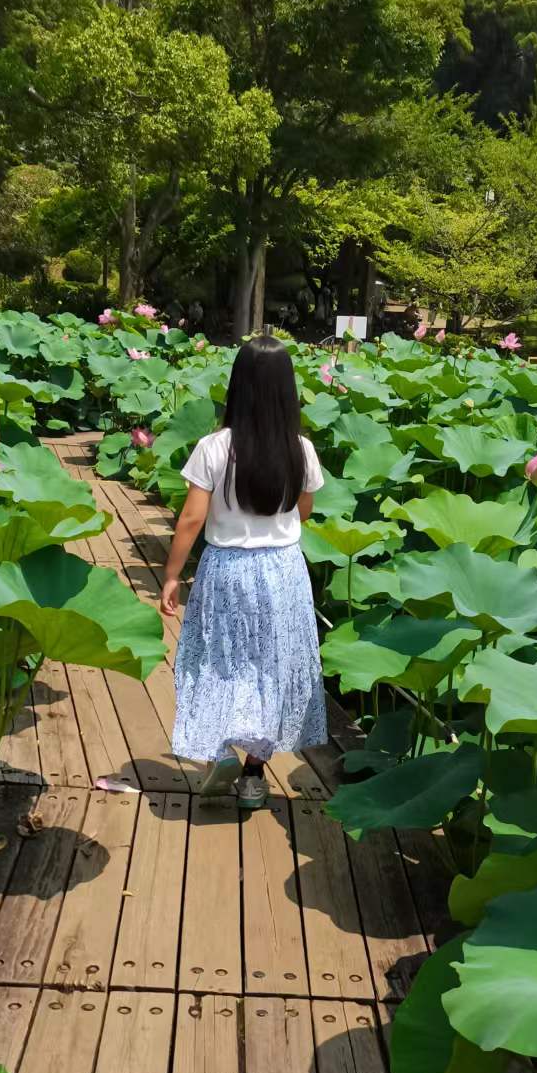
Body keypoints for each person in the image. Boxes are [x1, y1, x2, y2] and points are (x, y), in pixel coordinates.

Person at [161, 334, 327, 808]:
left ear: (239, 386)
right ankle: (255, 774)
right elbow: (304, 509)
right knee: (270, 667)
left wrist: (172, 575)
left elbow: (191, 518)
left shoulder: (214, 447)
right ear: (286, 390)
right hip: (283, 572)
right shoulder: (301, 450)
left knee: (219, 661)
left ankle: (221, 751)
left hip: (226, 570)